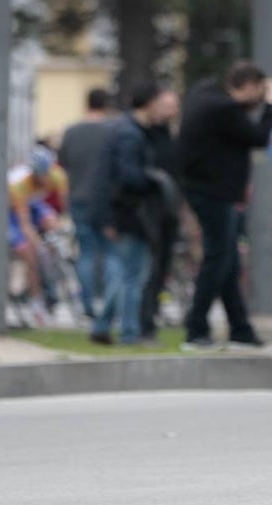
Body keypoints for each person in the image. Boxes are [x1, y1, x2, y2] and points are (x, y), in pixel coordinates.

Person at [176, 60, 272, 351]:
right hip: (215, 194)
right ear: (247, 86)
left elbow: (237, 126)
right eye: (258, 91)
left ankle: (240, 329)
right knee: (217, 259)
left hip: (206, 191)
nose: (260, 97)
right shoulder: (224, 110)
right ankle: (196, 328)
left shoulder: (206, 95)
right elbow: (258, 137)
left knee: (229, 263)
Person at [87, 82, 176, 345]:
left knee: (128, 272)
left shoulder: (130, 130)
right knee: (134, 275)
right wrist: (153, 179)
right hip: (131, 213)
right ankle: (130, 332)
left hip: (124, 212)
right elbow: (128, 177)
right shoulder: (131, 134)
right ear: (150, 103)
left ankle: (102, 325)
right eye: (162, 102)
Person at [58, 87, 115, 318]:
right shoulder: (113, 130)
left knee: (86, 253)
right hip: (108, 200)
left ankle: (88, 306)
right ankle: (111, 304)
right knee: (111, 252)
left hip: (79, 198)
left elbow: (62, 164)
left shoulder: (71, 132)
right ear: (106, 105)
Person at [7, 145, 70, 324]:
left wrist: (60, 229)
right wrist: (36, 243)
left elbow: (63, 207)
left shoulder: (58, 175)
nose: (44, 179)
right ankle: (36, 303)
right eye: (40, 175)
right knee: (31, 254)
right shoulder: (19, 183)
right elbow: (24, 222)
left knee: (52, 221)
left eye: (46, 174)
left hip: (34, 203)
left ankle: (57, 269)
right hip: (11, 211)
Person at [138, 89, 181, 341]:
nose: (171, 111)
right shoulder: (145, 136)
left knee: (161, 266)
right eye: (167, 105)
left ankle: (150, 314)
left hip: (168, 210)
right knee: (149, 268)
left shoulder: (170, 137)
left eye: (174, 106)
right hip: (150, 211)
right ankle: (143, 321)